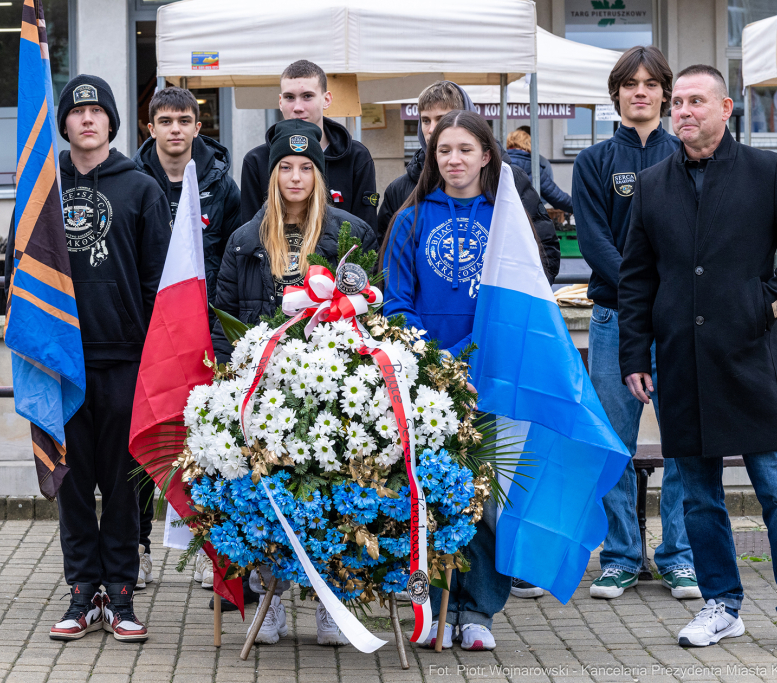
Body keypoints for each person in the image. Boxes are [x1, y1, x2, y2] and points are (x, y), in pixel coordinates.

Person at [618, 64, 777, 653]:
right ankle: (721, 605)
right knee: (699, 495)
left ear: (725, 108)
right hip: (681, 362)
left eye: (694, 101)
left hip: (746, 357)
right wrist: (636, 352)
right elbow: (637, 278)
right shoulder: (653, 182)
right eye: (677, 102)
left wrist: (768, 301)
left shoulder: (765, 171)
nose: (682, 110)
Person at [6, 75, 172, 642]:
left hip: (125, 356)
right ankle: (82, 590)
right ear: (65, 124)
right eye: (77, 113)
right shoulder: (41, 191)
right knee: (72, 479)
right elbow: (20, 266)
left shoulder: (141, 188)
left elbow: (158, 279)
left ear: (112, 122)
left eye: (97, 111)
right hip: (60, 358)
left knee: (123, 482)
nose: (87, 120)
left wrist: (155, 353)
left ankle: (121, 592)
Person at [212, 120, 377, 646]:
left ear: (321, 174)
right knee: (272, 498)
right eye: (287, 166)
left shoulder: (351, 236)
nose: (296, 176)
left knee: (331, 494)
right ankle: (272, 597)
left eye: (307, 167)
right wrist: (227, 381)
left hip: (330, 388)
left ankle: (333, 600)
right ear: (272, 173)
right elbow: (224, 319)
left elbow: (371, 316)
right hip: (265, 389)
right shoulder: (244, 241)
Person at [382, 109, 537, 650]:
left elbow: (519, 305)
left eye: (465, 150)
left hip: (492, 376)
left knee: (486, 499)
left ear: (487, 156)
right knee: (435, 497)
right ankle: (437, 607)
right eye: (444, 150)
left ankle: (479, 612)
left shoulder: (506, 220)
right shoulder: (410, 219)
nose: (454, 160)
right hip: (429, 382)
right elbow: (396, 305)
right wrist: (440, 363)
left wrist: (474, 358)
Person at [571, 45, 700, 602]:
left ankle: (679, 556)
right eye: (630, 84)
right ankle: (622, 556)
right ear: (616, 93)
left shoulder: (692, 157)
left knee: (685, 441)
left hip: (679, 322)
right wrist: (640, 292)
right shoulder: (593, 162)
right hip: (614, 320)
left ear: (665, 93)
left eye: (651, 83)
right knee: (613, 443)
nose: (640, 92)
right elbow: (597, 243)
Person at [132, 85, 240, 591]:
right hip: (146, 334)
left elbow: (236, 259)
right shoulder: (130, 182)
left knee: (204, 445)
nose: (175, 129)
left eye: (185, 120)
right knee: (144, 440)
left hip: (205, 333)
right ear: (148, 128)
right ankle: (137, 548)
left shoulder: (223, 186)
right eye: (165, 120)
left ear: (200, 128)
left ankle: (205, 545)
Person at [376, 80, 561, 285]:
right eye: (426, 120)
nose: (431, 129)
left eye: (442, 118)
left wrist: (516, 304)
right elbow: (384, 259)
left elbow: (544, 250)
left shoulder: (509, 180)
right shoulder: (402, 189)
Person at [238, 60, 377, 227]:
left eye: (307, 96)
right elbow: (249, 233)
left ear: (326, 99)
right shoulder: (256, 160)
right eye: (290, 97)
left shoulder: (356, 157)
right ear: (280, 102)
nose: (298, 107)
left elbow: (366, 232)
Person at [505, 129, 573, 214]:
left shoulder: (498, 164)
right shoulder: (533, 166)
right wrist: (579, 206)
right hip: (527, 219)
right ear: (529, 144)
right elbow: (557, 197)